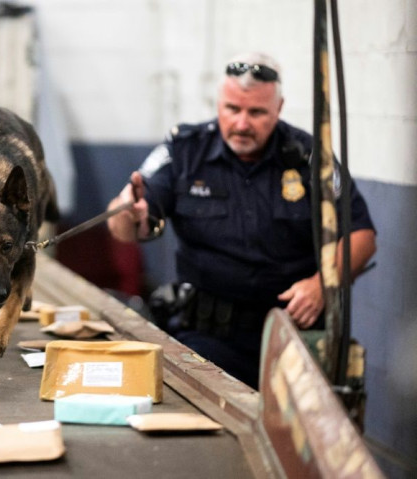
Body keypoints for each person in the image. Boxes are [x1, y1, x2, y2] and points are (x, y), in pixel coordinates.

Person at [106, 52, 377, 389]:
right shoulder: (186, 150)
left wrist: (324, 283)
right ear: (219, 104)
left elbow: (362, 234)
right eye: (232, 109)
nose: (242, 123)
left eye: (257, 112)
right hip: (206, 339)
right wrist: (128, 212)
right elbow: (127, 226)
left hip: (292, 339)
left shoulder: (311, 158)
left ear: (278, 109)